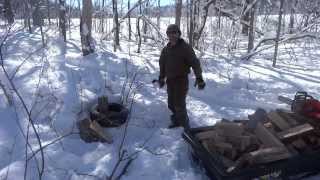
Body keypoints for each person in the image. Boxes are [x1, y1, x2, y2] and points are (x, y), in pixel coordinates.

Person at [158, 24, 206, 129]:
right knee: (171, 103)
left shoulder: (185, 48)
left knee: (179, 104)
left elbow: (195, 63)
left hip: (181, 80)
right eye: (170, 33)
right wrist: (161, 78)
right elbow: (162, 64)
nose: (172, 35)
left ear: (179, 34)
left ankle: (185, 126)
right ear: (167, 35)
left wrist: (199, 78)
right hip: (170, 80)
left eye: (174, 33)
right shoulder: (166, 49)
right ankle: (177, 121)